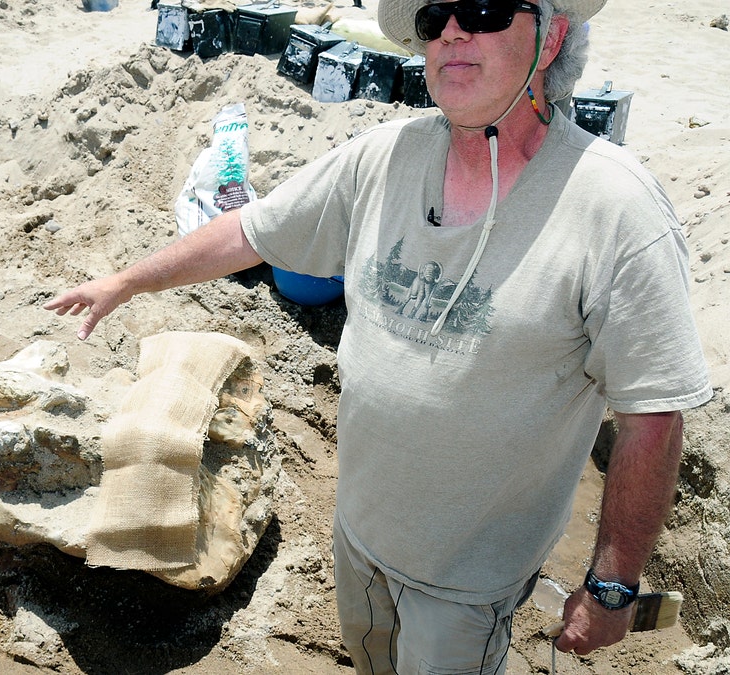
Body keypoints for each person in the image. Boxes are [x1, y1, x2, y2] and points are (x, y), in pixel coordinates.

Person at [44, 0, 713, 671]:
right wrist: (128, 282)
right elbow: (253, 229)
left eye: (482, 9)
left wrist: (613, 584)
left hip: (468, 583)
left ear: (553, 33)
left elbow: (652, 415)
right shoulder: (385, 157)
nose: (452, 30)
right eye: (435, 16)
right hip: (360, 541)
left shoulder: (616, 209)